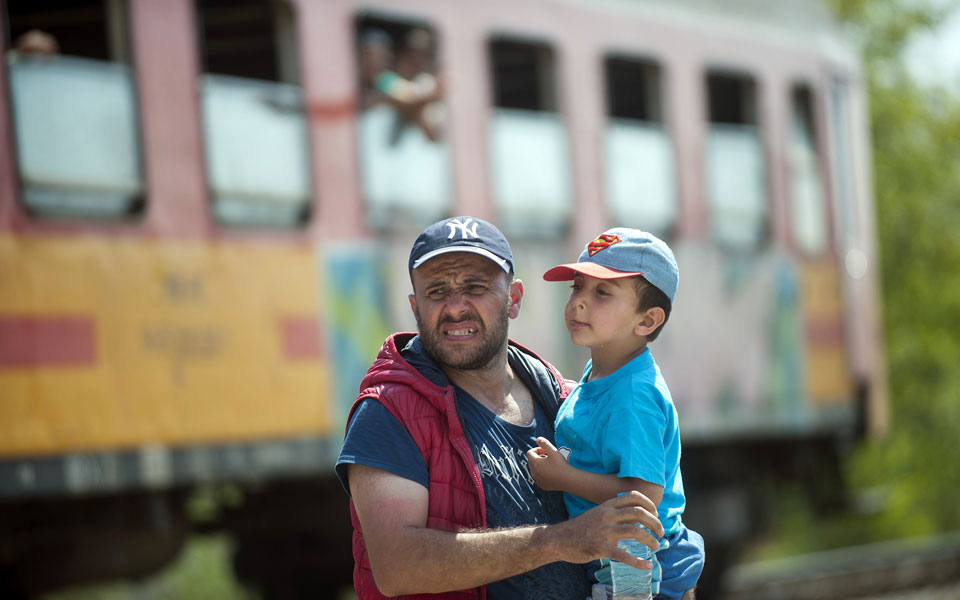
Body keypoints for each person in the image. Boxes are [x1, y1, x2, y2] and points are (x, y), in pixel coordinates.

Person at [336, 216, 703, 599]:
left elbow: (651, 522)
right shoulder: (388, 412)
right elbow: (398, 568)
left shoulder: (564, 398)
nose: (455, 307)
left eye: (475, 287)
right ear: (415, 307)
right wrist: (560, 541)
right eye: (437, 291)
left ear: (513, 299)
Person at [527, 228, 703, 599]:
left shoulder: (634, 396)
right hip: (620, 552)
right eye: (577, 286)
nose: (579, 302)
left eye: (602, 292)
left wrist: (563, 477)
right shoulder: (605, 375)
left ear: (646, 321)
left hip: (636, 562)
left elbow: (644, 494)